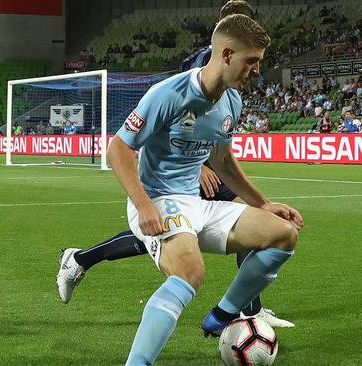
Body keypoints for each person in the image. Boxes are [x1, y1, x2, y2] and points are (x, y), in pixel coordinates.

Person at [56, 0, 295, 329]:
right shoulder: (206, 61)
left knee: (254, 220)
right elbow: (180, 113)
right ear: (223, 32)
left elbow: (219, 144)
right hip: (188, 169)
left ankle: (247, 309)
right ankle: (80, 259)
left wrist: (258, 198)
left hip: (206, 160)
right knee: (163, 235)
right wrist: (199, 166)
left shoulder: (244, 63)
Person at [110, 15, 301, 365]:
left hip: (197, 204)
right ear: (227, 54)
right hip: (159, 200)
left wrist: (264, 204)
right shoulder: (169, 94)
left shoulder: (233, 102)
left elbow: (224, 163)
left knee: (283, 234)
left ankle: (223, 315)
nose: (257, 70)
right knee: (190, 272)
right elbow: (118, 149)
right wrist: (144, 206)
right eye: (252, 61)